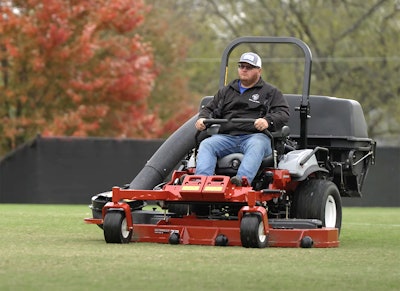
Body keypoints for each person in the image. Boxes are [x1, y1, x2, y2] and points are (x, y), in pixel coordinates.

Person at [194, 52, 290, 186]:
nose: (244, 69)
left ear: (259, 70)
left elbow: (283, 113)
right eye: (241, 66)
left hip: (256, 137)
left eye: (249, 67)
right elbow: (209, 109)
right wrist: (202, 118)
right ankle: (202, 182)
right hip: (227, 137)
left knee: (257, 145)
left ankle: (241, 182)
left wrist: (267, 121)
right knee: (207, 144)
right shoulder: (226, 91)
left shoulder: (270, 92)